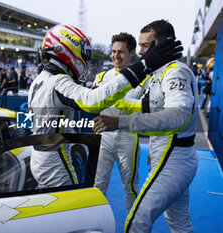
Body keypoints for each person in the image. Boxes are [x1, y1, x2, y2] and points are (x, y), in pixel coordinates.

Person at [28, 24, 182, 189]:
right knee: (67, 207)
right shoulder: (58, 81)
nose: (85, 62)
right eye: (83, 56)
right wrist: (142, 66)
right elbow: (92, 101)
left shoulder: (40, 79)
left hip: (39, 154)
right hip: (55, 158)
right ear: (67, 50)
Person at [92, 20, 198, 233]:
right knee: (178, 223)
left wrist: (120, 122)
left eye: (145, 46)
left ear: (162, 45)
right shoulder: (159, 74)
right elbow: (143, 107)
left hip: (174, 156)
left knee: (135, 221)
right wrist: (105, 100)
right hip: (168, 153)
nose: (140, 52)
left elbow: (177, 117)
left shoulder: (175, 72)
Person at [93, 33, 149, 214]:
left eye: (121, 52)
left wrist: (110, 100)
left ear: (132, 52)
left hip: (128, 138)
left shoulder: (144, 78)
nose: (116, 56)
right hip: (103, 138)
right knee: (97, 188)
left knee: (131, 188)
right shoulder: (101, 77)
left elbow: (146, 110)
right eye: (113, 51)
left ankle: (133, 227)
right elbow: (92, 107)